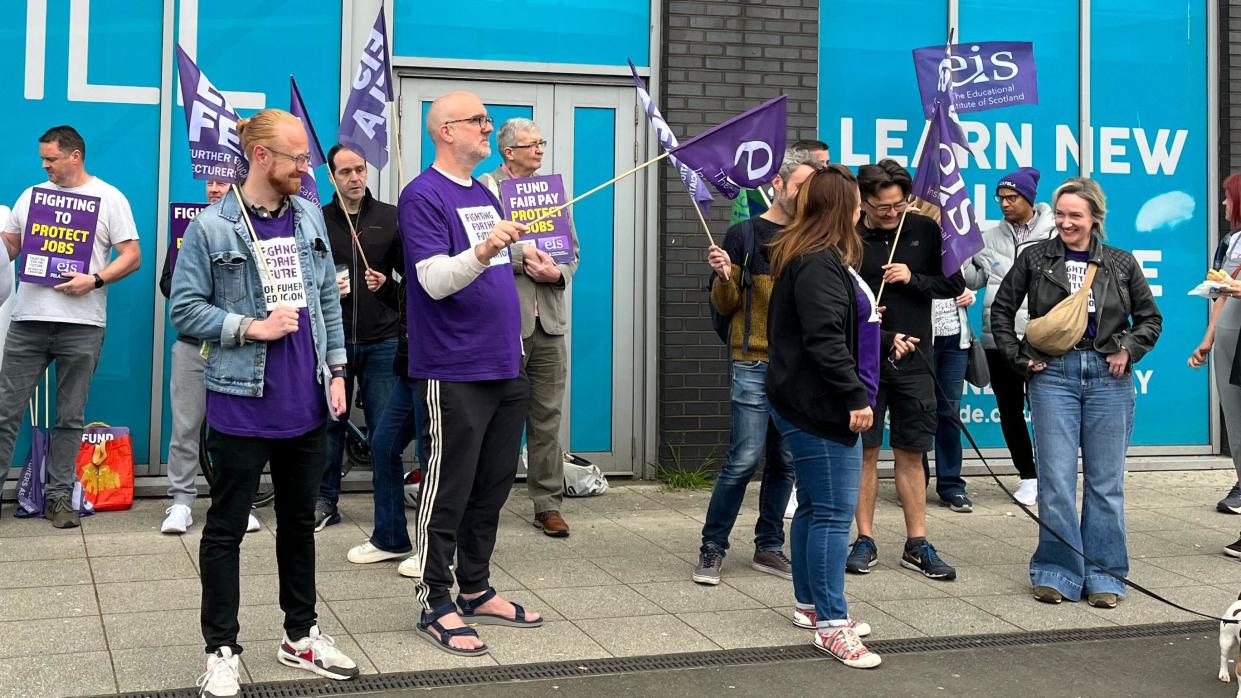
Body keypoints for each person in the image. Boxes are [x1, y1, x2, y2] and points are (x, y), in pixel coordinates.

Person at [170, 109, 359, 696]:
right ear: (260, 157)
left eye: (307, 158)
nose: (308, 168)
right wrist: (251, 327)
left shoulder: (308, 217)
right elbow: (183, 310)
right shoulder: (211, 228)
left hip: (305, 402)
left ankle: (300, 635)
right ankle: (221, 649)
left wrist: (337, 368)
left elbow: (327, 295)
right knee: (225, 529)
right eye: (297, 158)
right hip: (241, 402)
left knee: (298, 525)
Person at [398, 91, 542, 656]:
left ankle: (476, 587)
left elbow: (491, 271)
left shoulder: (483, 191)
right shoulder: (421, 196)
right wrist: (484, 249)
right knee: (449, 483)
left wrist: (523, 255)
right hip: (454, 367)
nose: (489, 128)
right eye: (479, 121)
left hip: (506, 363)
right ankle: (435, 599)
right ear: (447, 131)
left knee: (494, 483)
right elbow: (433, 280)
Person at [766, 164, 916, 669]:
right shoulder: (816, 261)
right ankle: (833, 624)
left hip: (810, 401)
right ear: (841, 209)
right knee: (831, 514)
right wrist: (855, 397)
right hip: (822, 406)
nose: (862, 210)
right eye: (855, 203)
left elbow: (840, 327)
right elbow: (824, 337)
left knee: (813, 508)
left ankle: (811, 608)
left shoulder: (815, 256)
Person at [992, 177, 1161, 609]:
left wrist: (1127, 349)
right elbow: (1001, 310)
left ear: (1095, 219)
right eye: (1061, 214)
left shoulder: (1121, 263)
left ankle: (1104, 573)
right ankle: (1057, 572)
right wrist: (1018, 357)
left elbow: (1149, 319)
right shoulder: (1035, 258)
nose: (1066, 223)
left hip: (1109, 377)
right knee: (1056, 481)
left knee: (1105, 484)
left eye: (1076, 215)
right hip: (1053, 376)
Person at [0, 125, 141, 527]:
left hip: (82, 324)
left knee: (70, 416)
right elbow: (11, 245)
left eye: (51, 159)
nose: (45, 166)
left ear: (75, 156)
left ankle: (59, 497)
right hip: (27, 319)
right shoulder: (31, 196)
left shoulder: (109, 197)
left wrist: (95, 280)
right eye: (43, 159)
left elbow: (132, 255)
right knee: (4, 411)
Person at [693, 147, 820, 585]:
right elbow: (726, 307)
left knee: (785, 461)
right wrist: (726, 277)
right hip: (753, 360)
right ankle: (713, 546)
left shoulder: (812, 239)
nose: (805, 195)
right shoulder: (745, 234)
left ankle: (769, 546)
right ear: (779, 184)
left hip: (797, 368)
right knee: (744, 459)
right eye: (800, 186)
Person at [847, 159, 964, 581]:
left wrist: (913, 277)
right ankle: (864, 537)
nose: (892, 214)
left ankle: (917, 542)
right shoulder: (849, 235)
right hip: (866, 360)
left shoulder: (924, 231)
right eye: (883, 208)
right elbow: (836, 296)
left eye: (899, 206)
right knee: (866, 451)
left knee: (912, 451)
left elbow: (953, 285)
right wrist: (863, 312)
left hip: (916, 358)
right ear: (864, 202)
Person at [479, 118, 581, 537]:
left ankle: (546, 503)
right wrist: (527, 261)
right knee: (492, 418)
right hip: (505, 325)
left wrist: (555, 274)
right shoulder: (486, 190)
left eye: (541, 142)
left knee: (547, 418)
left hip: (550, 324)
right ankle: (483, 501)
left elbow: (571, 254)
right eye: (531, 144)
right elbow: (479, 249)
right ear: (508, 151)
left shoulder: (553, 195)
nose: (540, 150)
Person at [160, 181, 261, 535]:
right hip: (193, 344)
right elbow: (168, 286)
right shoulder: (192, 227)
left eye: (223, 182)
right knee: (185, 426)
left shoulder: (249, 231)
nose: (216, 188)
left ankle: (236, 503)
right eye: (211, 183)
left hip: (237, 346)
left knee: (234, 429)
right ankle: (181, 502)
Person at [315, 144, 403, 532]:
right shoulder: (317, 220)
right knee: (330, 424)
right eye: (345, 172)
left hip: (382, 339)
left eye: (360, 170)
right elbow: (302, 278)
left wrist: (385, 285)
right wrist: (324, 288)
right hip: (333, 340)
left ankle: (389, 511)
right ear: (331, 177)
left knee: (385, 430)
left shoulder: (390, 217)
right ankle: (325, 501)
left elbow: (412, 283)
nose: (354, 178)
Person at [962, 168, 1056, 507]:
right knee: (1010, 410)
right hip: (999, 339)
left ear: (1028, 198)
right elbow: (973, 281)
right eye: (1000, 198)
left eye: (1011, 197)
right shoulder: (989, 237)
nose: (1004, 203)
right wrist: (960, 253)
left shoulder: (1055, 233)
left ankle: (1052, 475)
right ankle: (1028, 476)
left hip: (1043, 338)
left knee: (1047, 410)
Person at [1189, 173, 1241, 516]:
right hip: (1227, 336)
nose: (1223, 202)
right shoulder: (1230, 240)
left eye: (1227, 196)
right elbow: (1220, 292)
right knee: (1234, 419)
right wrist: (1206, 340)